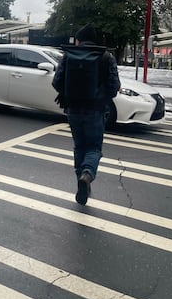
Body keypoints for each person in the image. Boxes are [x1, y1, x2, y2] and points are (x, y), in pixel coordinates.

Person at [52, 23, 121, 206]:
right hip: (96, 111)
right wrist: (101, 97)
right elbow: (114, 87)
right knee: (93, 148)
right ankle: (87, 175)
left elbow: (56, 82)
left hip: (73, 110)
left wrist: (69, 93)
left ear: (79, 40)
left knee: (79, 147)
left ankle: (81, 183)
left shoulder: (68, 56)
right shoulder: (106, 57)